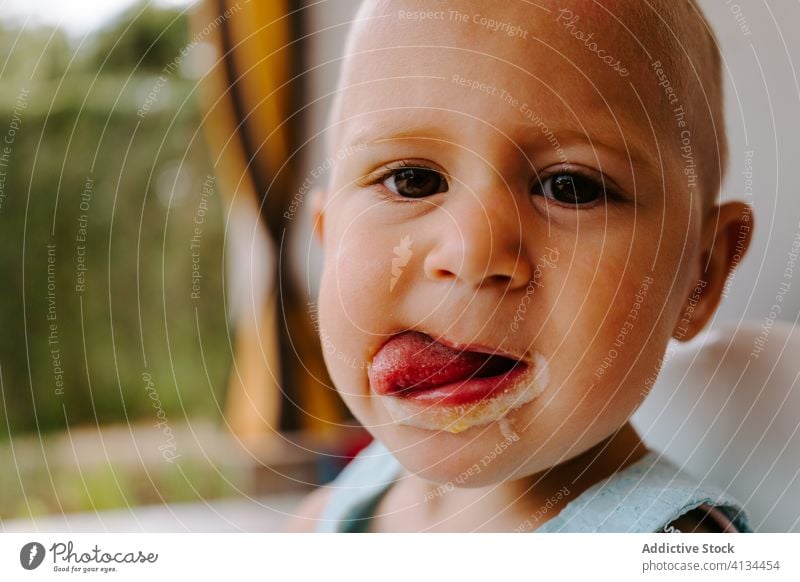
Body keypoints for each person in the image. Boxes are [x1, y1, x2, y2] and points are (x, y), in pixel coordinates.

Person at [286, 0, 754, 532]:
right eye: (412, 180)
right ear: (327, 240)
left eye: (569, 187)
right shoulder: (346, 502)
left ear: (698, 276)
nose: (472, 254)